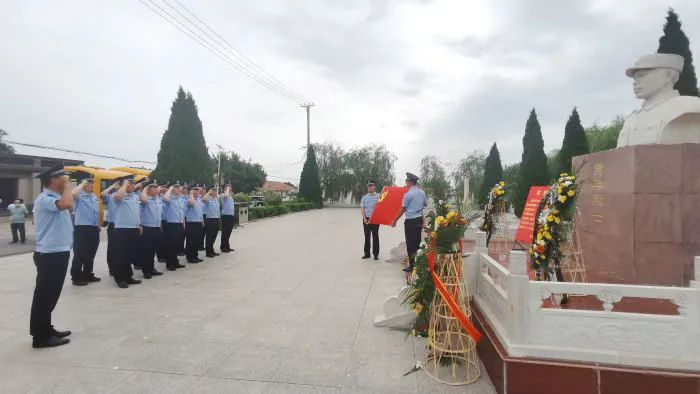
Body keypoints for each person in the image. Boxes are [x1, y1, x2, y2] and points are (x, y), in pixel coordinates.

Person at [30, 164, 74, 348]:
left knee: (50, 296)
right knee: (44, 296)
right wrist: (67, 186)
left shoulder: (55, 197)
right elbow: (67, 204)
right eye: (63, 177)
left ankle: (46, 328)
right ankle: (40, 337)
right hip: (49, 254)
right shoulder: (45, 198)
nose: (67, 180)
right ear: (53, 180)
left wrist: (65, 188)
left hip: (58, 252)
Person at [391, 172, 427, 273]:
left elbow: (403, 209)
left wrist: (395, 221)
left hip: (410, 221)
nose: (406, 183)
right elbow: (422, 207)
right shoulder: (422, 193)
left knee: (410, 244)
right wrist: (424, 221)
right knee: (417, 243)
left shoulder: (408, 194)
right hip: (419, 220)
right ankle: (418, 264)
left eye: (407, 181)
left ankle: (412, 267)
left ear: (410, 182)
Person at [111, 178, 143, 288]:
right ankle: (120, 279)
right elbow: (118, 197)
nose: (133, 185)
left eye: (133, 183)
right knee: (121, 255)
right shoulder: (118, 195)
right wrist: (124, 185)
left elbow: (135, 212)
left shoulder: (135, 196)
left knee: (129, 255)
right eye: (130, 184)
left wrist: (139, 224)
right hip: (122, 230)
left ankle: (128, 276)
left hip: (133, 229)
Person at [70, 179, 101, 286]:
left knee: (91, 253)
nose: (92, 187)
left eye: (93, 185)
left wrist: (97, 224)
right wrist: (82, 183)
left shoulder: (94, 196)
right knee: (79, 253)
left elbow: (94, 211)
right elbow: (72, 193)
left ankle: (87, 274)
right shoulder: (79, 195)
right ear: (84, 186)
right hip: (82, 228)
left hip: (93, 228)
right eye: (90, 185)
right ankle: (76, 277)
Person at [137, 182, 164, 279]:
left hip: (156, 228)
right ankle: (146, 271)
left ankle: (152, 268)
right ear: (148, 190)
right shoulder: (145, 198)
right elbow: (143, 200)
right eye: (153, 188)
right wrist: (144, 189)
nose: (156, 189)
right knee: (146, 251)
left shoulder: (158, 200)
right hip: (147, 228)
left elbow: (159, 215)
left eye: (157, 188)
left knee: (153, 250)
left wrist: (160, 226)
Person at [162, 184, 186, 271]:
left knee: (177, 245)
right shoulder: (170, 198)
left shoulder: (181, 199)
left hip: (179, 224)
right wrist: (170, 188)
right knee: (171, 245)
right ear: (174, 190)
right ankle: (170, 264)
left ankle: (175, 261)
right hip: (172, 224)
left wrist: (183, 223)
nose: (180, 191)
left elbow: (182, 212)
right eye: (178, 190)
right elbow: (164, 198)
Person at [101, 182, 120, 276]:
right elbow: (102, 194)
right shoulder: (111, 196)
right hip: (113, 225)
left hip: (123, 226)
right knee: (112, 248)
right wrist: (112, 186)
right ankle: (112, 269)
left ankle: (120, 267)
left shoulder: (125, 196)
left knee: (122, 248)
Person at [360, 180, 380, 260]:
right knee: (367, 237)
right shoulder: (364, 197)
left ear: (374, 187)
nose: (369, 187)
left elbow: (382, 207)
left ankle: (376, 254)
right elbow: (362, 208)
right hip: (366, 219)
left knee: (375, 236)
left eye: (371, 185)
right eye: (368, 186)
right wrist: (364, 218)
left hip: (375, 219)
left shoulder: (379, 196)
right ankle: (367, 254)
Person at [184, 186, 204, 263]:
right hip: (191, 223)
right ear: (191, 191)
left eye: (198, 189)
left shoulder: (199, 200)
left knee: (196, 241)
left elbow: (200, 211)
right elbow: (191, 204)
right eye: (196, 189)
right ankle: (190, 257)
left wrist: (202, 221)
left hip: (198, 222)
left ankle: (195, 255)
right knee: (191, 241)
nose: (198, 191)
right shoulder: (188, 199)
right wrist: (191, 193)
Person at [202, 186, 221, 258]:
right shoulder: (208, 199)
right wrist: (209, 192)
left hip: (216, 219)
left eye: (216, 190)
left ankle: (211, 250)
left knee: (214, 236)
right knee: (209, 237)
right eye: (214, 190)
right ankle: (208, 252)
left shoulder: (216, 199)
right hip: (210, 220)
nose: (215, 192)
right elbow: (203, 199)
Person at [220, 184, 235, 253]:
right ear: (225, 189)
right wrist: (227, 188)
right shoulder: (223, 195)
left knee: (228, 232)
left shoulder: (230, 196)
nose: (230, 188)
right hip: (226, 216)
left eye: (230, 187)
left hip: (231, 216)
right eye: (228, 187)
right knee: (225, 232)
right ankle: (223, 247)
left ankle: (227, 246)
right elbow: (226, 195)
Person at [155, 183, 169, 263]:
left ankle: (165, 254)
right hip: (160, 221)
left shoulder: (168, 197)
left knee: (166, 240)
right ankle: (160, 256)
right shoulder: (158, 198)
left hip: (167, 221)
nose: (164, 188)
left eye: (166, 187)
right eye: (163, 187)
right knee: (160, 239)